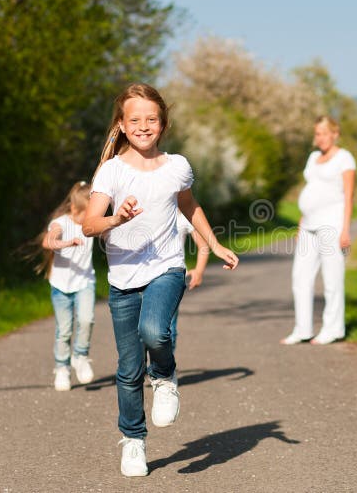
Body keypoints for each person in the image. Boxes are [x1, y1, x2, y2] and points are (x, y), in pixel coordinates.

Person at [82, 83, 239, 477]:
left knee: (155, 331)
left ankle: (165, 376)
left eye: (151, 119)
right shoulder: (112, 171)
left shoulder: (177, 166)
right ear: (121, 124)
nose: (143, 126)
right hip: (123, 278)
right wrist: (116, 219)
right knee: (128, 369)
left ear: (163, 124)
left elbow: (190, 206)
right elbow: (88, 224)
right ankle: (133, 441)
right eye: (135, 119)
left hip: (167, 267)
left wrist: (214, 244)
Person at [281, 115, 356, 346]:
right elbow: (311, 190)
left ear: (335, 133)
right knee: (300, 278)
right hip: (309, 225)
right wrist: (302, 221)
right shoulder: (313, 157)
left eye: (323, 133)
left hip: (332, 225)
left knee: (332, 280)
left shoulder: (345, 159)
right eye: (317, 134)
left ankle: (333, 329)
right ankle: (302, 329)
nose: (319, 138)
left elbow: (349, 195)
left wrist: (345, 230)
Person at [37, 181, 96, 391]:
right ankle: (62, 368)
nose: (88, 220)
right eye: (86, 215)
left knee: (87, 320)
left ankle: (80, 355)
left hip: (85, 282)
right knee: (64, 330)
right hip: (61, 286)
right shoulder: (61, 222)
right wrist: (65, 243)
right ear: (74, 209)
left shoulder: (91, 223)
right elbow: (47, 242)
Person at [171, 212, 210, 351]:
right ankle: (142, 366)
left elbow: (203, 246)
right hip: (144, 276)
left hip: (173, 277)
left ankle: (166, 370)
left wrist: (199, 271)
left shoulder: (185, 214)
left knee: (169, 326)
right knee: (141, 329)